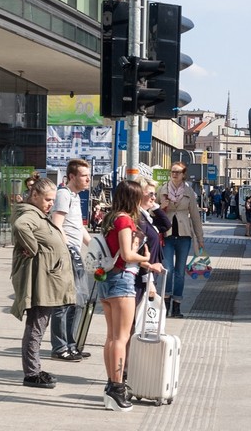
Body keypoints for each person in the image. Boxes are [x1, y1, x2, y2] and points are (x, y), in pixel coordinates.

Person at [10, 177, 76, 389]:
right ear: (35, 195)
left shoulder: (38, 215)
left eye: (53, 200)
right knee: (36, 327)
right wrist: (33, 247)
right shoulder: (30, 214)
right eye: (47, 199)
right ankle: (32, 372)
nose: (50, 204)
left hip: (47, 280)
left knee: (39, 326)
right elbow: (20, 227)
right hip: (41, 282)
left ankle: (34, 369)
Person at [100, 180, 150, 412]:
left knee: (111, 337)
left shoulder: (109, 218)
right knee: (121, 338)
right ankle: (118, 387)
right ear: (133, 198)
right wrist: (147, 260)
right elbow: (128, 254)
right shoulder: (124, 220)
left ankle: (112, 384)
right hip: (122, 279)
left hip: (107, 280)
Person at [49, 159, 92, 362]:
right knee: (64, 302)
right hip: (67, 255)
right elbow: (57, 224)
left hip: (75, 252)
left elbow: (78, 227)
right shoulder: (63, 195)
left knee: (78, 300)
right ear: (72, 177)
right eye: (84, 175)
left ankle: (71, 344)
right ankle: (60, 346)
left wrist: (93, 246)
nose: (88, 179)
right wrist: (69, 250)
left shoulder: (74, 196)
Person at [157, 162, 204, 318]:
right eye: (172, 172)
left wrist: (200, 237)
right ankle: (165, 303)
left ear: (184, 174)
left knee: (180, 273)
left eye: (178, 172)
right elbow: (152, 211)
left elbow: (195, 216)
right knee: (168, 270)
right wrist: (160, 206)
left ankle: (177, 306)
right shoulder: (162, 189)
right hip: (167, 235)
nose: (174, 174)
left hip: (184, 235)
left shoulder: (189, 192)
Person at [135, 176, 169, 303]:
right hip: (141, 277)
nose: (154, 197)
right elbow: (139, 252)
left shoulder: (146, 217)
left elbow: (166, 225)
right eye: (150, 194)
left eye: (155, 194)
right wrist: (148, 280)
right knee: (136, 319)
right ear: (138, 194)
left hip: (149, 274)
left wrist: (155, 206)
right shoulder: (139, 219)